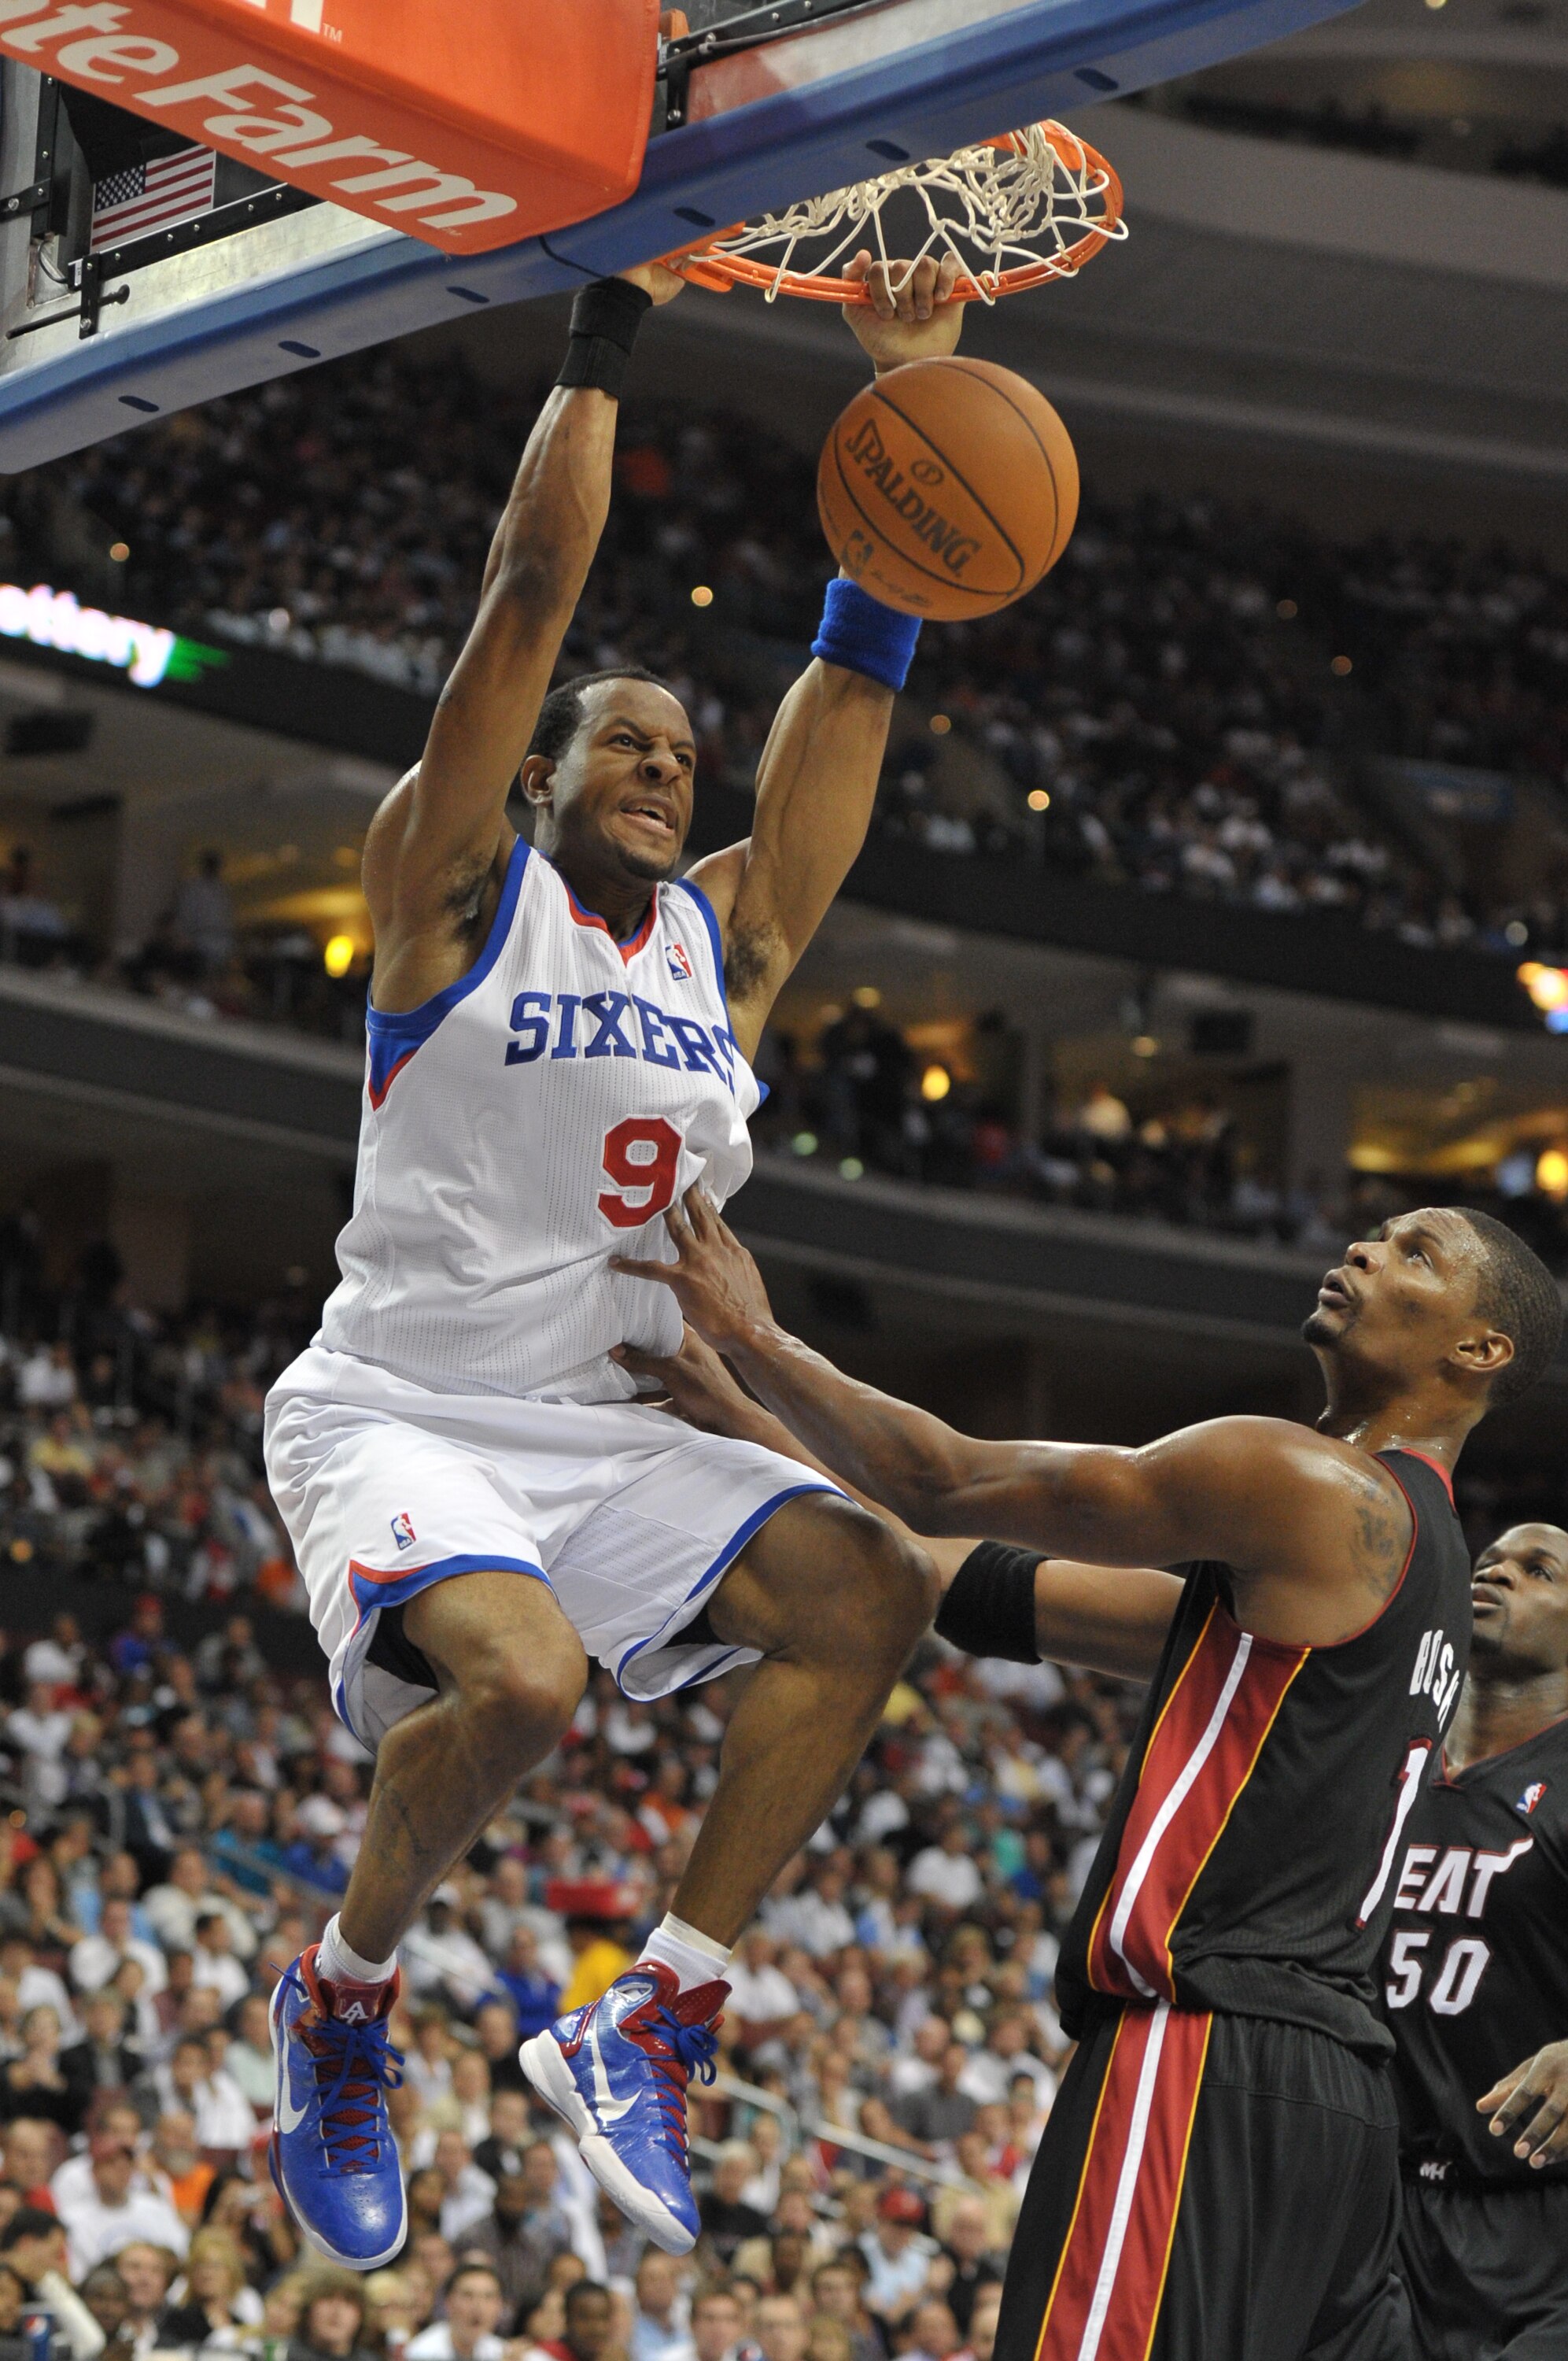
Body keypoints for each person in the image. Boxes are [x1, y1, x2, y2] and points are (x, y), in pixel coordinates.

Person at [261, 245, 964, 2271]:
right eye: (626, 744)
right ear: (541, 774)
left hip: (605, 1414)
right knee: (530, 1684)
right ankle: (348, 1989)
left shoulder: (716, 945)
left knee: (859, 1591)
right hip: (402, 1404)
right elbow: (524, 601)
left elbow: (846, 704)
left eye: (680, 749)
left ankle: (653, 1999)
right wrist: (606, 322)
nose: (665, 763)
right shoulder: (449, 891)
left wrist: (906, 410)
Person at [614, 1192, 1563, 2359]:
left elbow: (945, 1481)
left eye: (1415, 1252)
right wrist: (746, 1427)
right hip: (1329, 2105)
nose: (1364, 1249)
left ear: (1480, 1349)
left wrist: (759, 1340)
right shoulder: (1391, 1566)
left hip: (1204, 2050)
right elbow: (952, 1576)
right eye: (1375, 1234)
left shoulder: (1311, 1487)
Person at [1384, 1520, 1568, 2359]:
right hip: (1377, 2209)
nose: (1495, 1576)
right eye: (1489, 1562)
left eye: (1538, 1572)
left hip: (1539, 2222)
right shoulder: (1382, 1753)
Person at [406, 2264, 507, 2361]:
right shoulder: (421, 2352)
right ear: (448, 2302)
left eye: (488, 2297)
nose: (478, 2307)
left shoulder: (502, 2352)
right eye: (468, 2295)